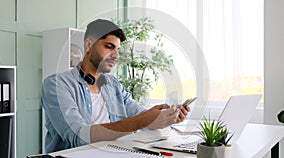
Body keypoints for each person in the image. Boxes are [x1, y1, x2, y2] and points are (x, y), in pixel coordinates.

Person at [41, 19, 191, 153]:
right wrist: (143, 120)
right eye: (109, 47)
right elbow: (78, 136)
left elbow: (138, 115)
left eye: (118, 50)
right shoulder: (56, 85)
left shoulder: (113, 84)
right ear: (88, 45)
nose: (116, 56)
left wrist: (166, 117)